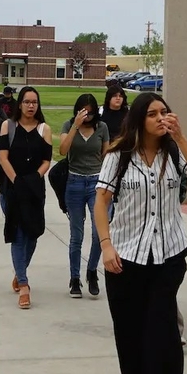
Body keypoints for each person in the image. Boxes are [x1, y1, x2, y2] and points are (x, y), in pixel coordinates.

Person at [94, 92, 187, 374]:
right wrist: (106, 246)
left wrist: (181, 138)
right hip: (126, 259)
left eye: (164, 112)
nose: (160, 118)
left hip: (168, 256)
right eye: (152, 113)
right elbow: (101, 202)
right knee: (130, 332)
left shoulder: (173, 151)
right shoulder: (119, 155)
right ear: (139, 119)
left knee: (164, 329)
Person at [0, 86, 53, 309]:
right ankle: (25, 285)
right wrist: (17, 181)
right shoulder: (7, 126)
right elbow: (3, 158)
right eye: (27, 102)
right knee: (18, 235)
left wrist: (34, 179)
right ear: (20, 104)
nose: (31, 106)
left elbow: (47, 160)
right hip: (12, 190)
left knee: (33, 234)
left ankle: (20, 274)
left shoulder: (44, 129)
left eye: (34, 102)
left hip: (35, 191)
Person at [59, 93, 110, 299]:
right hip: (75, 182)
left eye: (90, 111)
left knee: (99, 233)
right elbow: (62, 150)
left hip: (96, 183)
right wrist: (75, 126)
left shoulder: (102, 128)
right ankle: (74, 278)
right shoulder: (68, 125)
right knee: (76, 235)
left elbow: (107, 155)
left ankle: (92, 271)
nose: (87, 116)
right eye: (83, 111)